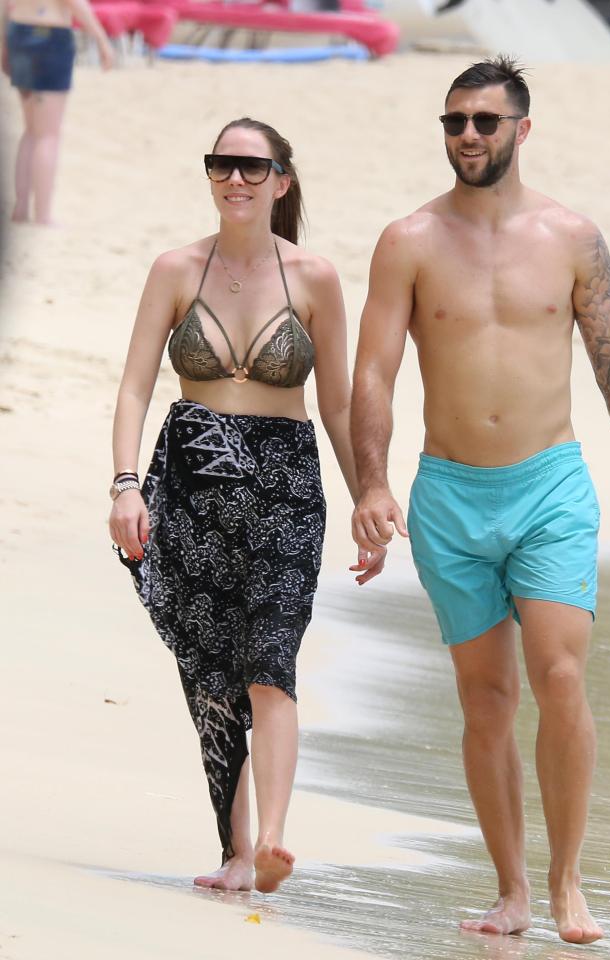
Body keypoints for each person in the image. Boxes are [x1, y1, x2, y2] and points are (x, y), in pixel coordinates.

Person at [350, 57, 610, 944]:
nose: (467, 135)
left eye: (485, 122)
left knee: (560, 674)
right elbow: (374, 371)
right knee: (485, 698)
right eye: (454, 121)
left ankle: (567, 881)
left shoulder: (571, 236)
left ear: (521, 131)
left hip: (548, 484)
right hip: (449, 494)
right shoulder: (408, 240)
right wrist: (371, 483)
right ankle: (510, 892)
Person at [110, 117, 377, 893]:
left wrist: (367, 496)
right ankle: (231, 853)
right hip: (191, 479)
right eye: (222, 165)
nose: (236, 179)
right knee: (209, 671)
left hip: (285, 485)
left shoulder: (316, 278)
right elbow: (133, 386)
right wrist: (125, 483)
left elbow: (335, 406)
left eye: (252, 168)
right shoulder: (174, 268)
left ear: (281, 181)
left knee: (270, 662)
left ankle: (272, 841)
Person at [1, 0, 113, 225]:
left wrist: (4, 42)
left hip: (19, 30)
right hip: (48, 36)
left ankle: (21, 209)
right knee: (47, 135)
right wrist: (101, 39)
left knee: (32, 130)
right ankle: (42, 215)